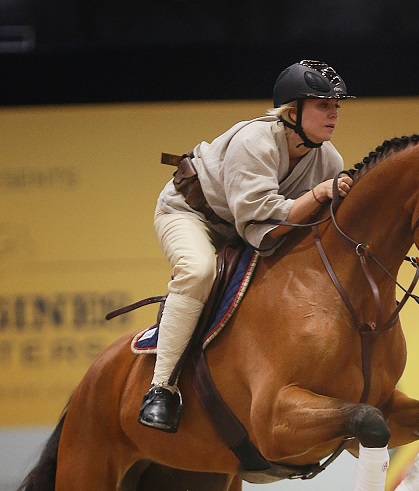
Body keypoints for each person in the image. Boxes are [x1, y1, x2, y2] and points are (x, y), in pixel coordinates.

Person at [139, 59, 355, 432]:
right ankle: (161, 389)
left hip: (239, 227)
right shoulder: (255, 141)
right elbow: (265, 225)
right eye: (323, 105)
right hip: (190, 215)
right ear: (292, 111)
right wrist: (320, 193)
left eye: (336, 106)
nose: (334, 114)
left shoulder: (328, 158)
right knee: (199, 271)